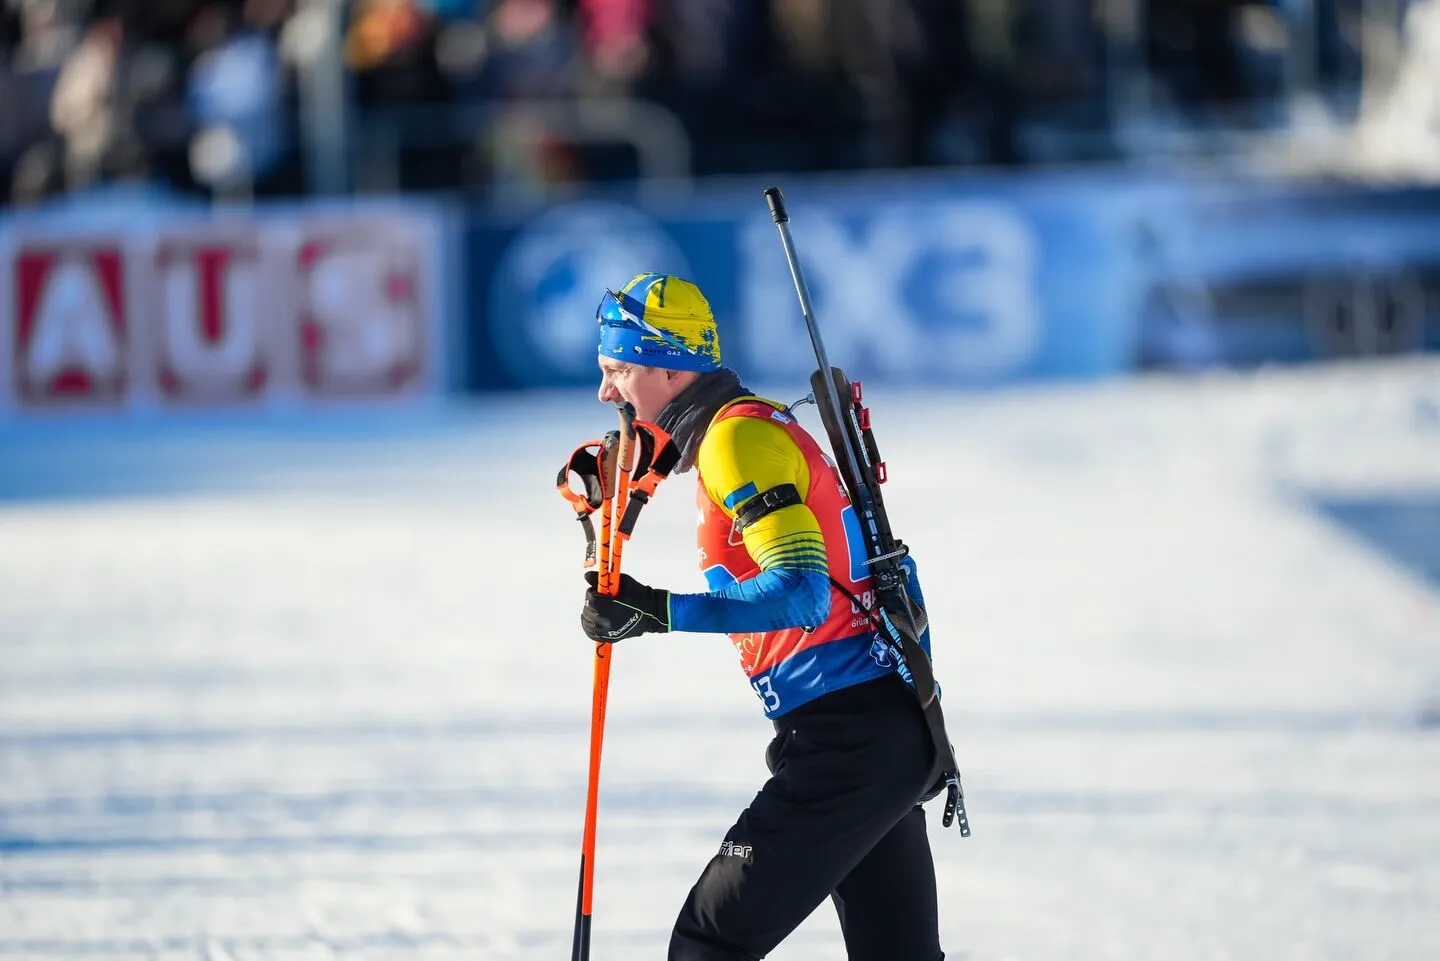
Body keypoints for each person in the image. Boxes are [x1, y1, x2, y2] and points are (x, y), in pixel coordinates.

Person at [579, 272, 947, 961]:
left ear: (668, 366)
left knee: (706, 944)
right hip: (879, 733)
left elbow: (801, 593)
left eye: (618, 369)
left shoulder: (734, 442)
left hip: (851, 741)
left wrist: (651, 610)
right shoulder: (736, 432)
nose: (606, 391)